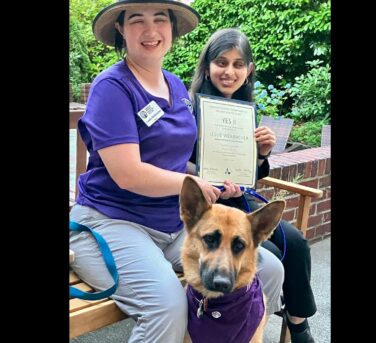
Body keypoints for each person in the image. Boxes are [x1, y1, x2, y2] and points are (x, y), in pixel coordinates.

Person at [69, 2, 285, 342]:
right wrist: (195, 184)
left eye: (160, 19)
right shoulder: (112, 86)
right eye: (137, 20)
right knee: (166, 306)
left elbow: (175, 162)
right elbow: (129, 174)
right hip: (111, 221)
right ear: (121, 30)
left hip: (171, 224)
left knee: (269, 270)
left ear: (172, 29)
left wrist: (217, 179)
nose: (151, 30)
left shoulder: (174, 85)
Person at [188, 28, 317, 343]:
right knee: (265, 252)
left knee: (296, 242)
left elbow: (251, 176)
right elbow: (178, 165)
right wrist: (206, 182)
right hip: (207, 210)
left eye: (238, 64)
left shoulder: (247, 111)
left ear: (248, 71)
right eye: (221, 62)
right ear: (207, 67)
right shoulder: (189, 110)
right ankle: (248, 323)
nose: (229, 71)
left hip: (239, 206)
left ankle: (297, 321)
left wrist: (261, 154)